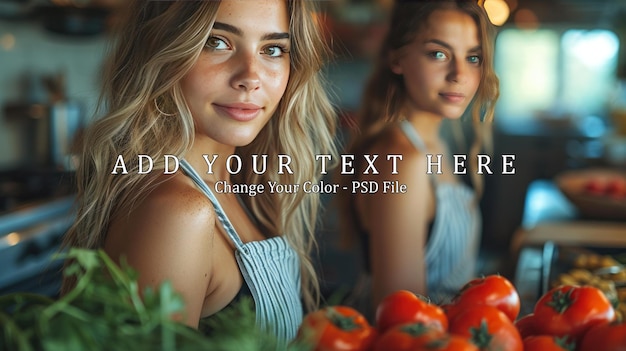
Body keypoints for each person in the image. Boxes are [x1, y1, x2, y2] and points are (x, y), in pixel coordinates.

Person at [60, 0, 337, 344]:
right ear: (161, 48)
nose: (250, 77)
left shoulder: (246, 187)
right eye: (216, 41)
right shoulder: (177, 212)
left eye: (273, 49)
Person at [340, 0, 499, 315]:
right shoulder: (402, 160)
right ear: (397, 58)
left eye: (473, 57)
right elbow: (403, 320)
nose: (459, 74)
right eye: (438, 54)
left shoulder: (437, 140)